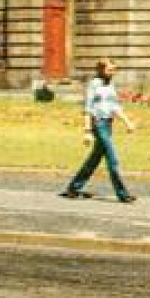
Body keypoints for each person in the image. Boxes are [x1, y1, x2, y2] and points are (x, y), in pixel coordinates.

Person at [60, 58, 138, 203]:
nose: (113, 72)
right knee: (112, 160)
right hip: (98, 124)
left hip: (108, 125)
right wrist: (87, 130)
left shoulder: (110, 85)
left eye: (114, 69)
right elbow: (88, 108)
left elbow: (115, 106)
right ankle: (123, 194)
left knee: (93, 160)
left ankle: (73, 189)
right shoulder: (94, 85)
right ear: (101, 70)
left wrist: (128, 122)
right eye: (110, 70)